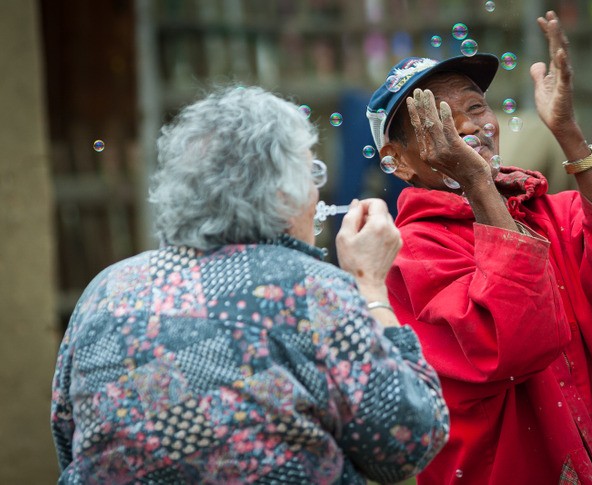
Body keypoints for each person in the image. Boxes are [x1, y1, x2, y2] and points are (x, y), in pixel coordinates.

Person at [50, 85, 449, 484]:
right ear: (281, 193)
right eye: (312, 173)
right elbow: (411, 440)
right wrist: (370, 284)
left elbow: (71, 444)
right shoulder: (312, 290)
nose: (317, 194)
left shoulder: (106, 289)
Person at [365, 10, 592, 485]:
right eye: (438, 123)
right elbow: (514, 341)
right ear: (399, 164)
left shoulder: (542, 212)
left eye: (475, 108)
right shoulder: (411, 254)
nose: (469, 128)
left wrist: (568, 133)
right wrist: (477, 182)